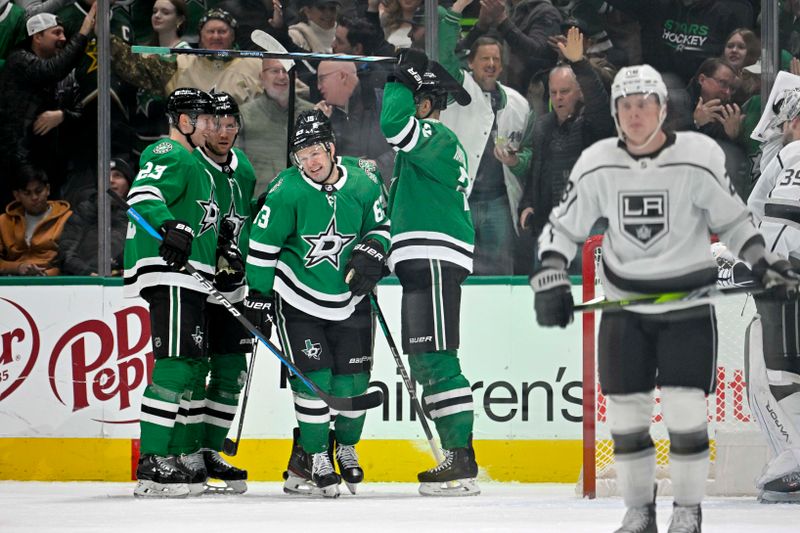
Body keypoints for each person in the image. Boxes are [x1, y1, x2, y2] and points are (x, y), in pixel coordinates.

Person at [531, 64, 798, 532]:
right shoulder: (598, 160)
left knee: (684, 412)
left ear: (661, 109)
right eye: (626, 106)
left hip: (686, 310)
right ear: (615, 112)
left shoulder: (697, 155)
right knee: (629, 416)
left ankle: (688, 513)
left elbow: (736, 220)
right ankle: (639, 511)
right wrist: (551, 272)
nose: (635, 114)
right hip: (626, 307)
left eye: (644, 104)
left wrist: (763, 262)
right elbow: (565, 223)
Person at [245, 109, 390, 498]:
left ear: (331, 147)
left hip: (351, 296)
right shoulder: (286, 190)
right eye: (302, 154)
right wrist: (258, 296)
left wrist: (374, 250)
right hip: (298, 299)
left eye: (315, 151)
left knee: (353, 382)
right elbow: (261, 247)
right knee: (315, 382)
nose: (310, 160)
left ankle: (345, 446)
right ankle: (316, 455)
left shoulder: (362, 182)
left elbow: (380, 226)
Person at [379, 49, 480, 496]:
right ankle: (455, 456)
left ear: (423, 104)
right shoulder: (423, 151)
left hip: (436, 257)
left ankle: (461, 458)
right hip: (423, 260)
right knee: (425, 360)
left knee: (438, 358)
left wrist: (400, 77)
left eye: (412, 97)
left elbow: (391, 125)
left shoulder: (436, 139)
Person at [124, 87, 219, 499]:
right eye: (201, 117)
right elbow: (142, 196)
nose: (209, 125)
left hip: (190, 274)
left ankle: (177, 455)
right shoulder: (169, 150)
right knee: (176, 364)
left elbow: (196, 217)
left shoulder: (194, 161)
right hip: (171, 272)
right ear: (183, 120)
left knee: (192, 369)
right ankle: (152, 460)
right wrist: (168, 227)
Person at [170, 91, 256, 495]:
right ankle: (184, 450)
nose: (224, 131)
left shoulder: (246, 171)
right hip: (197, 282)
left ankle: (209, 449)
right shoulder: (192, 164)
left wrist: (246, 271)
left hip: (233, 287)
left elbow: (247, 226)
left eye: (231, 123)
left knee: (230, 370)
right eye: (216, 123)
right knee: (193, 369)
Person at [437, 1, 529, 276]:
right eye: (484, 59)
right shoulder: (457, 89)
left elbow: (531, 156)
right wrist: (455, 11)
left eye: (496, 60)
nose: (491, 65)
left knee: (501, 272)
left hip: (498, 202)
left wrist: (516, 161)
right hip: (461, 199)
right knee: (456, 269)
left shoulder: (518, 104)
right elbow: (442, 55)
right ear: (470, 63)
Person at [517, 28, 614, 274]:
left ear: (579, 91)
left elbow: (599, 101)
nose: (558, 98)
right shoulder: (543, 125)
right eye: (554, 92)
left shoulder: (593, 123)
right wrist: (528, 203)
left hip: (591, 222)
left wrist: (579, 63)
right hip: (552, 224)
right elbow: (537, 172)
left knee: (590, 291)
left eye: (565, 91)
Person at [744, 87, 800, 503]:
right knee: (774, 371)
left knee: (778, 372)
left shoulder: (786, 155)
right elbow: (754, 213)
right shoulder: (785, 157)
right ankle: (794, 460)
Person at [0, 6, 96, 207]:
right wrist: (83, 32)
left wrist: (62, 115)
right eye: (56, 33)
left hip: (52, 167)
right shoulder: (19, 60)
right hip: (17, 165)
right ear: (37, 37)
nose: (63, 38)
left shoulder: (67, 77)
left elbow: (81, 115)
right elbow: (52, 70)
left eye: (63, 32)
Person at [237, 58, 315, 197]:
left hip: (302, 200)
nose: (281, 76)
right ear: (262, 77)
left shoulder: (311, 114)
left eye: (286, 71)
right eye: (274, 71)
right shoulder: (244, 114)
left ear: (295, 76)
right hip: (259, 203)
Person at [316, 60, 395, 183]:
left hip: (385, 190)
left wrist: (378, 164)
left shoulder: (386, 103)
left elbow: (408, 147)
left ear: (342, 76)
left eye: (322, 79)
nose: (318, 87)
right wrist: (318, 127)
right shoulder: (327, 114)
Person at [58, 157, 132, 276]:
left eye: (117, 175)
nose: (110, 180)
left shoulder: (137, 215)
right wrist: (88, 273)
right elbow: (66, 253)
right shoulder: (84, 211)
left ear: (129, 184)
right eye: (106, 175)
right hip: (84, 282)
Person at [0, 165, 72, 276]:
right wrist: (17, 268)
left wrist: (46, 275)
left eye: (38, 191)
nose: (34, 197)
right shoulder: (4, 221)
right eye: (27, 193)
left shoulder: (66, 218)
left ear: (48, 190)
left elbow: (70, 261)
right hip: (12, 282)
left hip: (53, 283)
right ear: (17, 195)